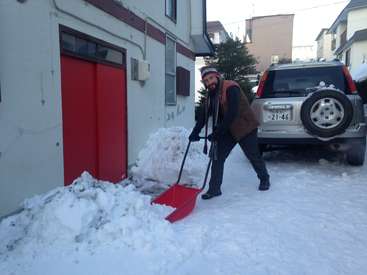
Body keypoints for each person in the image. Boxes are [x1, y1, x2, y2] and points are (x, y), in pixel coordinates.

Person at [189, 66, 270, 200]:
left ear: (217, 76)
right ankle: (214, 189)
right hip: (228, 129)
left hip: (245, 126)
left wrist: (218, 132)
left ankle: (264, 179)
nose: (209, 82)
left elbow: (233, 112)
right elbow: (204, 115)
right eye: (206, 81)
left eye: (211, 78)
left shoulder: (231, 87)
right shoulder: (211, 95)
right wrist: (195, 132)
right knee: (217, 157)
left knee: (253, 155)